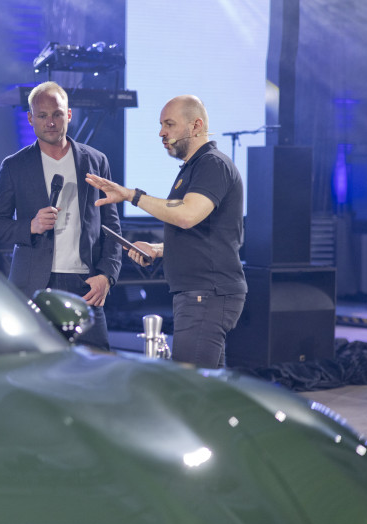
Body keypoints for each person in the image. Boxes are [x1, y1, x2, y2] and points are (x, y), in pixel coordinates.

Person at [85, 95, 246, 367]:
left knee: (189, 386)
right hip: (200, 294)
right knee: (206, 385)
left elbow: (186, 215)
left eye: (169, 124)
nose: (162, 132)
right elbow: (202, 232)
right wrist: (158, 250)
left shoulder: (212, 164)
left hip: (206, 293)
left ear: (196, 126)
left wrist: (132, 195)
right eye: (161, 125)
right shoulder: (195, 167)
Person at [0, 81, 122, 350]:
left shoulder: (96, 161)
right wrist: (31, 226)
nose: (50, 122)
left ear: (68, 115)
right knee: (34, 365)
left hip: (85, 285)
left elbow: (112, 227)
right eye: (42, 116)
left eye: (57, 114)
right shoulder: (15, 166)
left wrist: (107, 275)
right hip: (33, 287)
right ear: (30, 119)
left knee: (96, 365)